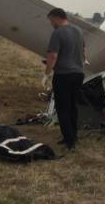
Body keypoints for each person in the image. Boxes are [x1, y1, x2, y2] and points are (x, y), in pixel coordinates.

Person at [44, 8, 85, 150]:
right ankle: (73, 136)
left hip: (63, 75)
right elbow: (84, 52)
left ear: (56, 18)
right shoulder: (78, 31)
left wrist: (47, 73)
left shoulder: (57, 33)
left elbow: (53, 56)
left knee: (62, 108)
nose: (51, 24)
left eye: (51, 20)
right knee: (73, 106)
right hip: (79, 74)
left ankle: (69, 141)